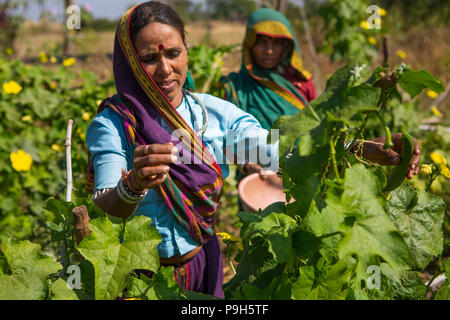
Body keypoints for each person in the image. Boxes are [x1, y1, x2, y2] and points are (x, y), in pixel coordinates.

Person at [85, 1, 420, 299]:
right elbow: (103, 207)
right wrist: (133, 186)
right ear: (130, 61)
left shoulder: (213, 115)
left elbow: (282, 149)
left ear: (187, 48)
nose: (165, 69)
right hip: (145, 278)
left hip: (205, 263)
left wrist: (365, 148)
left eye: (173, 53)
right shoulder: (115, 124)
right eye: (148, 58)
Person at [220, 7, 317, 178]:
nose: (269, 50)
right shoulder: (237, 86)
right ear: (250, 45)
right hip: (258, 180)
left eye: (276, 42)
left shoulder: (302, 83)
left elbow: (318, 129)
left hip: (304, 175)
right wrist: (247, 165)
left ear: (287, 45)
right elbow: (226, 139)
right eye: (261, 42)